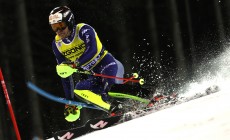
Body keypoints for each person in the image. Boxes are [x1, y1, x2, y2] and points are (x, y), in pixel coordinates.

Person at [49, 6, 124, 122]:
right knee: (79, 90)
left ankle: (144, 94)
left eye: (61, 26)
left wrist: (74, 65)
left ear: (69, 22)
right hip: (94, 75)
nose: (58, 31)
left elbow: (92, 50)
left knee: (107, 90)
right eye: (54, 27)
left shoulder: (83, 30)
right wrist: (70, 101)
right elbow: (64, 73)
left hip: (107, 64)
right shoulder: (57, 44)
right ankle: (114, 110)